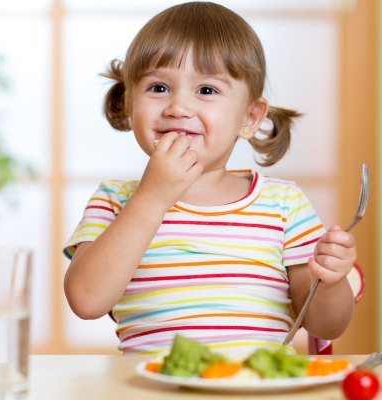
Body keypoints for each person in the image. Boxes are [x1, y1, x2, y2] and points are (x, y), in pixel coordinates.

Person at [63, 1, 356, 357]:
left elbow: (325, 326)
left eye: (206, 90)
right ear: (130, 103)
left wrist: (332, 281)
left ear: (249, 116)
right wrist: (153, 197)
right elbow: (86, 301)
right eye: (158, 88)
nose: (178, 107)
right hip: (152, 388)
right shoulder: (114, 200)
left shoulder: (283, 204)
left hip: (253, 388)